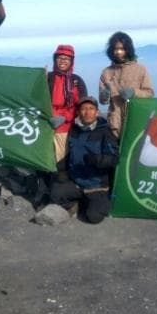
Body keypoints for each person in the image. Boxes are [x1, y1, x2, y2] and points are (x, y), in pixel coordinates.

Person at [50, 96, 119, 224]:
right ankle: (76, 203)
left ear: (97, 112)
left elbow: (114, 158)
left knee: (94, 217)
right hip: (77, 182)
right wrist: (58, 168)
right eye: (83, 109)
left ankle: (94, 202)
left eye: (91, 109)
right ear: (78, 112)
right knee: (55, 193)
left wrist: (98, 160)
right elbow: (70, 155)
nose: (87, 112)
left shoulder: (105, 131)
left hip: (97, 185)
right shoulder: (74, 130)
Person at [99, 32, 154, 139]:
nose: (118, 52)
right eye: (115, 49)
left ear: (128, 49)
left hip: (136, 122)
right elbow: (103, 101)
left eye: (122, 49)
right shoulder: (106, 72)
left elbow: (149, 93)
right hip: (114, 125)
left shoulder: (140, 69)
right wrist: (104, 96)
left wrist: (134, 92)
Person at [47, 45, 88, 163]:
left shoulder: (76, 81)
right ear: (55, 59)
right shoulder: (47, 77)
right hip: (46, 123)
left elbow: (82, 105)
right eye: (60, 57)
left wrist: (64, 117)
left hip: (65, 126)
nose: (63, 61)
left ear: (71, 62)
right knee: (44, 156)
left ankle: (56, 179)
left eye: (67, 58)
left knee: (60, 159)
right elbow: (37, 98)